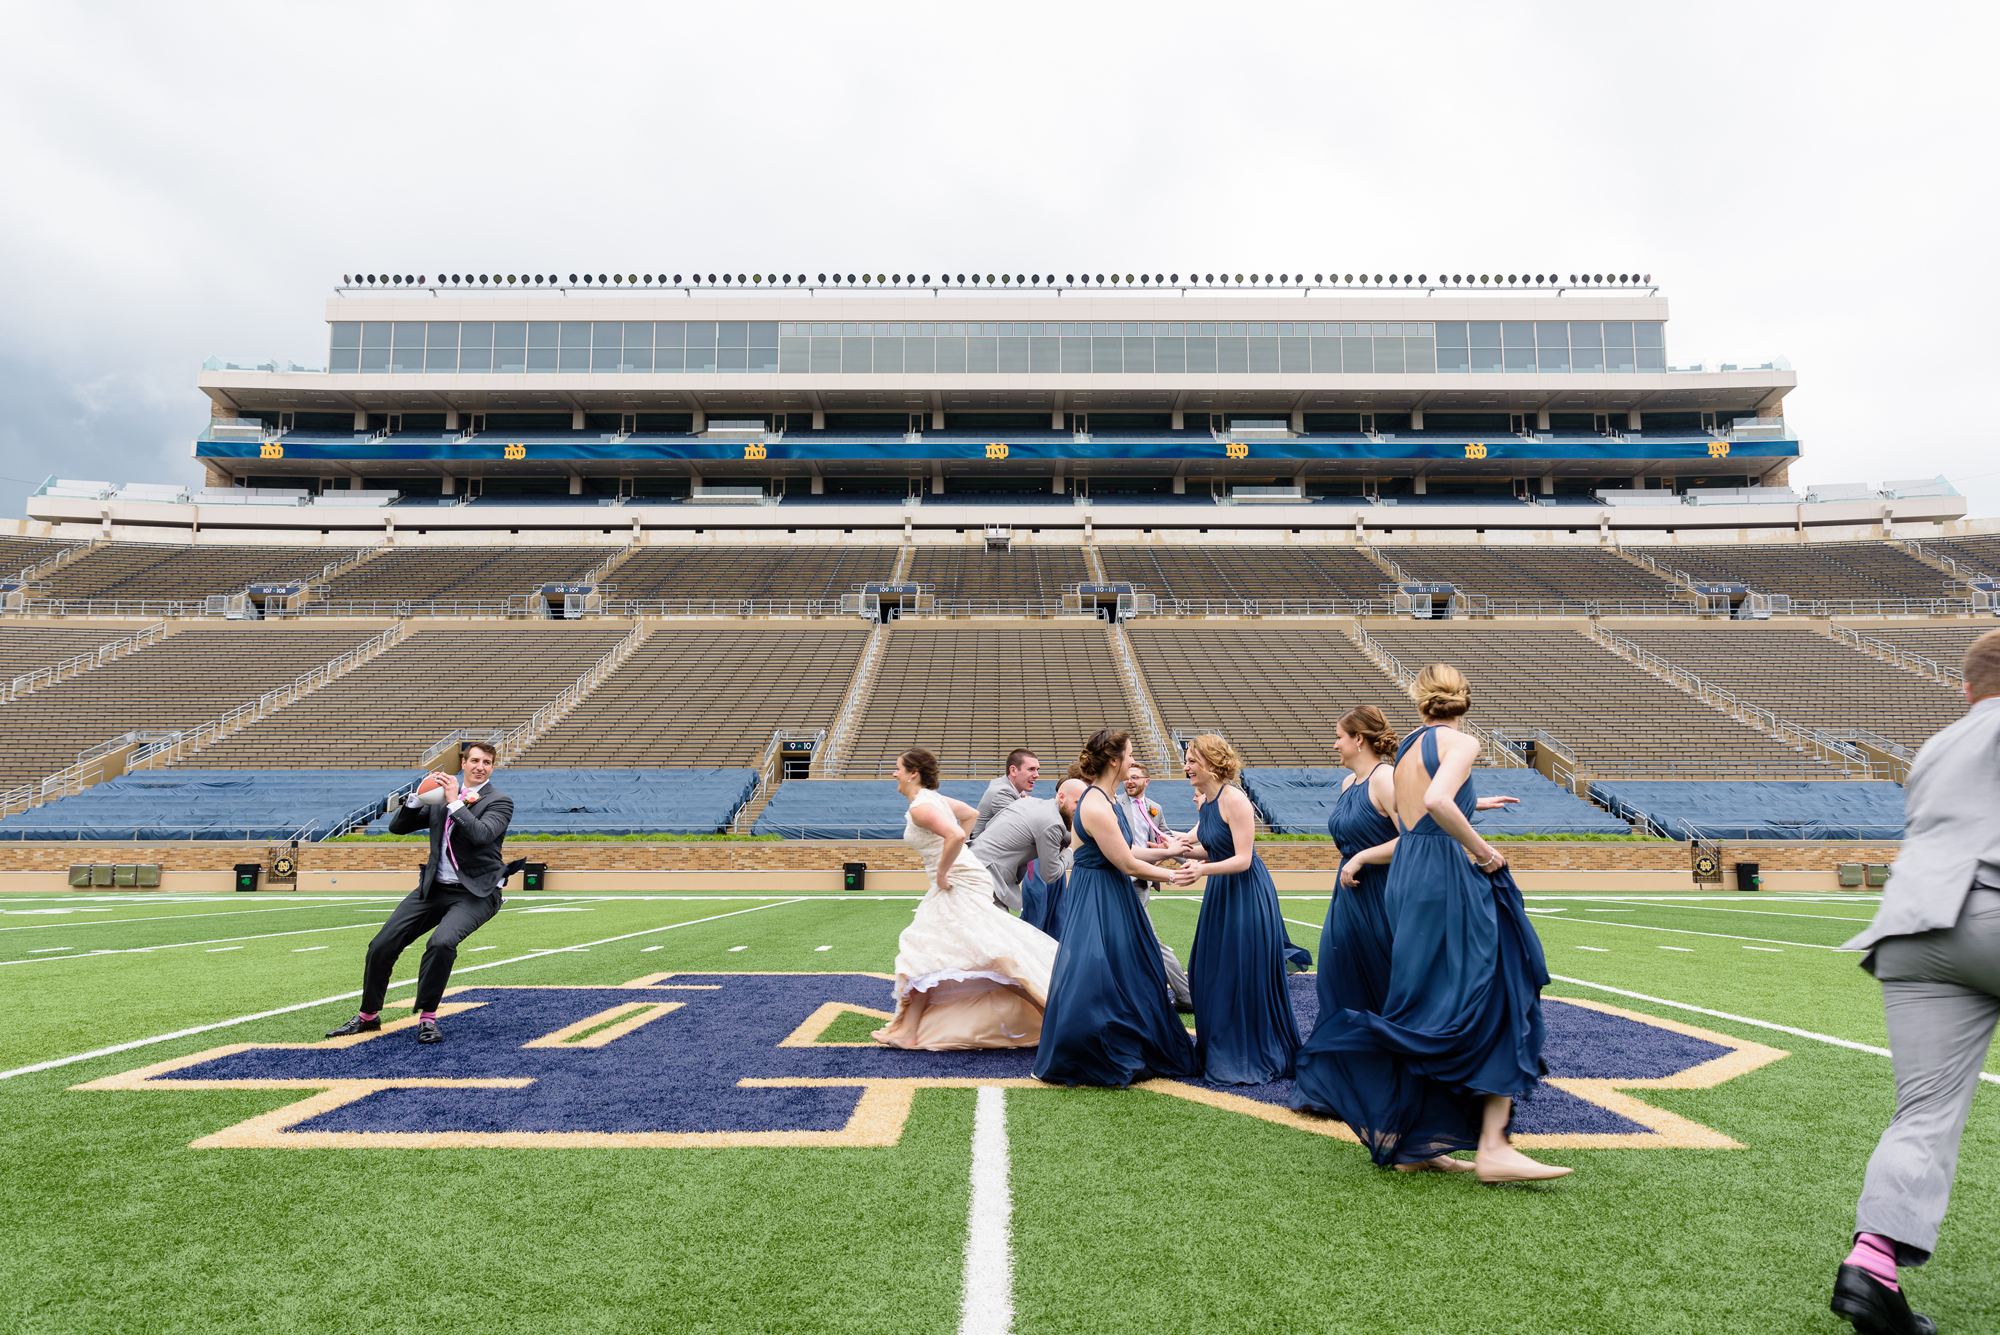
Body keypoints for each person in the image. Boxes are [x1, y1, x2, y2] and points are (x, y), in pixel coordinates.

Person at [1296, 666, 1568, 1182]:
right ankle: (1492, 1147)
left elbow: (1423, 809)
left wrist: (1474, 803)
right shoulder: (1460, 743)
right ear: (1466, 698)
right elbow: (1439, 802)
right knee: (1497, 990)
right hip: (1444, 874)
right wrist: (1485, 853)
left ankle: (1413, 1141)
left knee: (1426, 1002)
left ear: (1419, 699)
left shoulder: (1409, 749)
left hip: (1410, 879)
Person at [1829, 629, 2000, 1335]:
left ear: (1966, 687)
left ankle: (1873, 1262)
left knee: (1923, 1111)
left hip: (1913, 927)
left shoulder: (1936, 743)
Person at [1034, 729, 1200, 1087]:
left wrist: (1170, 851)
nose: (1131, 761)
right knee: (1095, 970)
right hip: (1098, 894)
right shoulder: (1096, 804)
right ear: (1113, 761)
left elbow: (1127, 850)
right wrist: (1172, 877)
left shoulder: (1104, 799)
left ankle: (1120, 1036)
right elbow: (1126, 862)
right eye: (1128, 756)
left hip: (1108, 891)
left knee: (1124, 967)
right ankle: (1094, 1048)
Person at [325, 741, 515, 1046]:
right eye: (475, 760)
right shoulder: (439, 798)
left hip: (476, 893)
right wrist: (417, 797)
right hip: (433, 888)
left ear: (492, 768)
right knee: (381, 945)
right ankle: (368, 1016)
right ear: (463, 763)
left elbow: (481, 835)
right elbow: (398, 828)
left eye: (487, 763)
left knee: (441, 942)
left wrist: (454, 802)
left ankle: (427, 1018)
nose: (481, 767)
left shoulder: (500, 801)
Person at [873, 748, 1060, 1050]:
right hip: (964, 876)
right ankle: (907, 1027)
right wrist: (953, 863)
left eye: (897, 768)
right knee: (930, 946)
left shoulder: (922, 806)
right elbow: (970, 816)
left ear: (913, 773)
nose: (894, 773)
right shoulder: (932, 800)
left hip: (956, 881)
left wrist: (944, 869)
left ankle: (1052, 1008)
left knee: (980, 949)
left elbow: (957, 836)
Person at [1176, 733, 1301, 1085]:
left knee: (1239, 971)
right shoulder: (1210, 802)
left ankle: (1248, 1052)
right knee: (1207, 968)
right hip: (1221, 892)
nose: (1186, 766)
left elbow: (1243, 860)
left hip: (1245, 894)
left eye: (1191, 760)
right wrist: (1183, 852)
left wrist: (1201, 869)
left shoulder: (1235, 800)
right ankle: (1220, 1046)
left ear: (1213, 764)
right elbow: (1211, 848)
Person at [1115, 760, 1195, 1012]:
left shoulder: (1155, 808)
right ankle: (1181, 995)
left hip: (1141, 881)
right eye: (1127, 777)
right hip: (1120, 878)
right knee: (1136, 940)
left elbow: (1166, 838)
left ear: (1146, 782)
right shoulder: (1114, 804)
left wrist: (1190, 862)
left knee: (1147, 940)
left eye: (1135, 777)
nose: (1129, 781)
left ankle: (1183, 996)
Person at [971, 778, 1078, 915]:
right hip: (986, 880)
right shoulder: (1051, 822)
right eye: (1076, 802)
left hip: (974, 867)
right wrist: (1072, 849)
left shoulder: (1029, 803)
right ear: (1061, 797)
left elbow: (990, 825)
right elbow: (1050, 874)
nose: (1079, 808)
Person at [971, 748, 1041, 839]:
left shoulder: (1014, 787)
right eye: (1031, 769)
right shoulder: (1000, 793)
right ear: (1013, 771)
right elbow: (1024, 826)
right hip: (983, 851)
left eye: (1037, 770)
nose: (1036, 775)